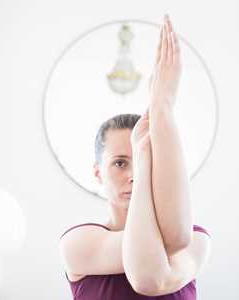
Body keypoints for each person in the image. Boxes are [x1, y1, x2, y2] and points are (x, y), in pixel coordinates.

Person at [59, 14, 211, 299]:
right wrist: (145, 151)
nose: (134, 174)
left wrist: (162, 106)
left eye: (142, 161)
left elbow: (157, 272)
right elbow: (147, 274)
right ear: (98, 173)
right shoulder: (78, 242)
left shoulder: (197, 240)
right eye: (120, 163)